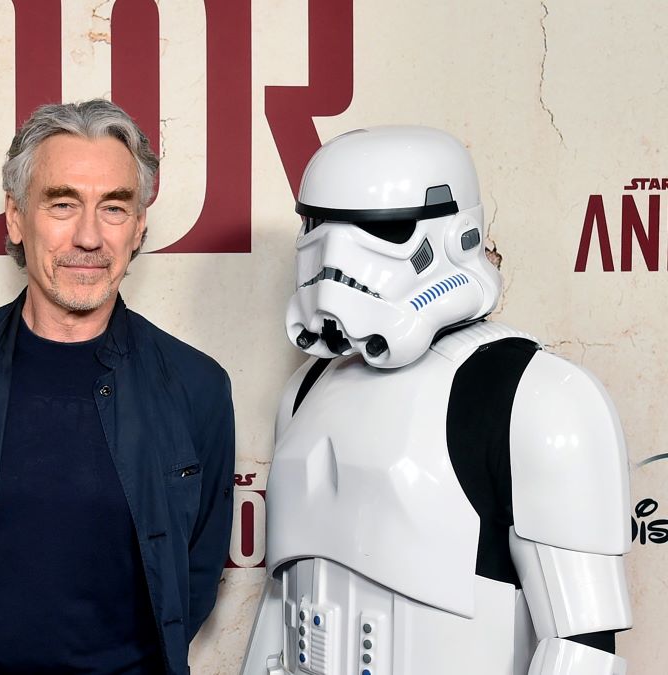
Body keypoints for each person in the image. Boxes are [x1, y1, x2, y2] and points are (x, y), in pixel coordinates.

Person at [242, 126, 632, 675]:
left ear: (458, 234)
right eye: (316, 225)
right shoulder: (306, 391)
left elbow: (581, 646)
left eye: (382, 229)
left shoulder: (538, 398)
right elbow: (281, 608)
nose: (334, 255)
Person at [0, 99, 235, 674]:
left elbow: (191, 576)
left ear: (139, 225)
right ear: (16, 217)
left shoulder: (198, 388)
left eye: (114, 208)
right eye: (63, 204)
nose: (89, 237)